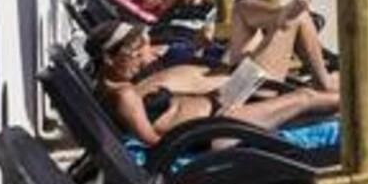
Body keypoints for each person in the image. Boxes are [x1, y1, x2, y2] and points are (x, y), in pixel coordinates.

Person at [86, 19, 341, 147]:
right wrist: (215, 117)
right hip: (220, 124)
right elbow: (156, 143)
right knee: (304, 97)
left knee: (303, 92)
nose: (141, 57)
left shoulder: (107, 91)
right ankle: (360, 103)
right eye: (134, 51)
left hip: (221, 104)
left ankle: (349, 95)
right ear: (109, 58)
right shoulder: (124, 95)